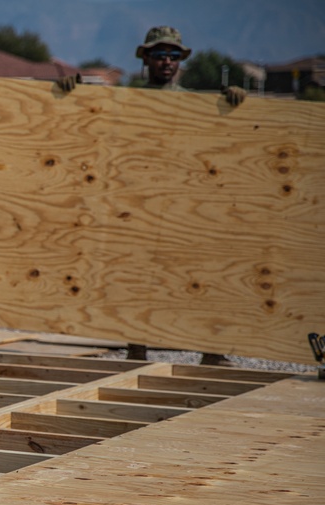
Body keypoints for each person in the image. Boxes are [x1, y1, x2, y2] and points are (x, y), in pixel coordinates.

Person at [59, 26, 242, 366]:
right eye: (160, 55)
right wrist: (71, 96)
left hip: (184, 204)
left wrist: (234, 107)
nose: (167, 62)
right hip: (138, 203)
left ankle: (212, 350)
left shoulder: (198, 103)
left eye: (174, 56)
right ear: (146, 58)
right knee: (136, 276)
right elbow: (92, 131)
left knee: (199, 274)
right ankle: (137, 348)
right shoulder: (127, 101)